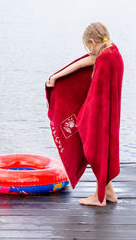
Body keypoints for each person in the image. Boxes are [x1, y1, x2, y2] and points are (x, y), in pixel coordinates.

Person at [46, 22, 124, 206]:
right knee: (102, 151)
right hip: (109, 115)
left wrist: (83, 115)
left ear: (92, 41)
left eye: (88, 47)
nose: (89, 51)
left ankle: (99, 198)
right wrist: (57, 76)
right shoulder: (112, 52)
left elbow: (97, 91)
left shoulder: (105, 58)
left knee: (95, 150)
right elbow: (83, 63)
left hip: (100, 115)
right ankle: (109, 192)